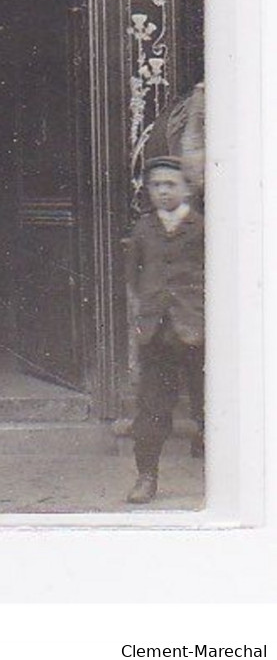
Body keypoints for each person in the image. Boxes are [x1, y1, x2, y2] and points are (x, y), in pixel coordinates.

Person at [125, 155, 205, 504]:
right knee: (152, 406)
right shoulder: (144, 229)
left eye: (170, 185)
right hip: (156, 331)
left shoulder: (202, 228)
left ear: (187, 189)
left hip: (196, 329)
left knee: (209, 404)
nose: (162, 191)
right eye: (156, 185)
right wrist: (140, 322)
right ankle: (146, 476)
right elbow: (133, 280)